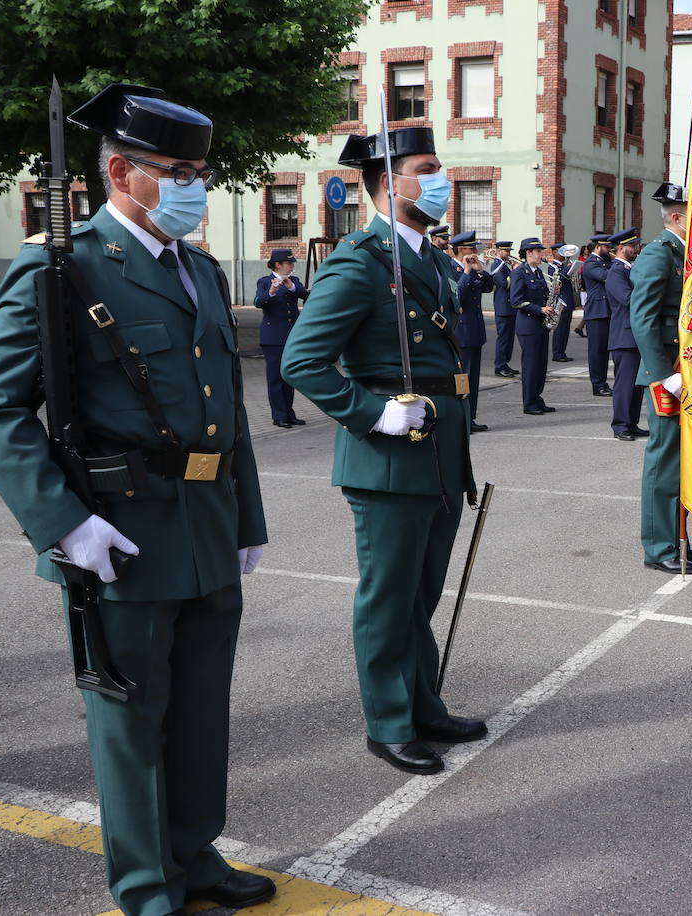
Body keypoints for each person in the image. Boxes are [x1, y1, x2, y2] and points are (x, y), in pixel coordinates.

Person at [0, 83, 271, 915]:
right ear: (119, 170)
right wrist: (63, 524)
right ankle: (149, 887)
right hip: (119, 533)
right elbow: (1, 408)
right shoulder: (61, 271)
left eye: (200, 171)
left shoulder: (203, 270)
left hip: (208, 528)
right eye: (177, 171)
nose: (196, 186)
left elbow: (230, 409)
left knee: (199, 715)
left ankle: (196, 853)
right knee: (130, 724)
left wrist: (247, 517)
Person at [282, 126, 486, 777]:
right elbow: (301, 361)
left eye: (439, 169)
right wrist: (373, 414)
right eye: (427, 169)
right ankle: (389, 721)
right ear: (388, 182)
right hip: (390, 458)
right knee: (388, 597)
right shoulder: (361, 260)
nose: (440, 180)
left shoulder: (427, 256)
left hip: (438, 453)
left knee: (420, 594)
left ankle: (423, 704)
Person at [629, 182, 692, 574]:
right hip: (669, 373)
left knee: (685, 458)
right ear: (677, 217)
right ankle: (659, 546)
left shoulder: (686, 254)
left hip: (689, 369)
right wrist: (663, 376)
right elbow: (642, 318)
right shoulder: (658, 254)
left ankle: (679, 536)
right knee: (665, 461)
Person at [254, 247, 309, 428]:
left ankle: (289, 413)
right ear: (277, 264)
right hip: (273, 338)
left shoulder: (293, 281)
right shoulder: (264, 281)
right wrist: (271, 291)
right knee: (275, 377)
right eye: (289, 263)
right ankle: (279, 415)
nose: (292, 266)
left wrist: (290, 286)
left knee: (288, 376)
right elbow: (258, 302)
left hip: (292, 336)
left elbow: (304, 294)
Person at [604, 226, 646, 440]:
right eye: (632, 245)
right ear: (621, 248)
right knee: (624, 384)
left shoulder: (629, 269)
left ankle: (632, 422)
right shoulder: (615, 272)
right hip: (624, 336)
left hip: (635, 335)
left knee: (637, 384)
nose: (636, 248)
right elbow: (629, 299)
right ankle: (620, 425)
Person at [509, 238, 557, 413]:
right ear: (529, 253)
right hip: (528, 325)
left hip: (541, 325)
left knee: (541, 364)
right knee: (530, 365)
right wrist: (539, 309)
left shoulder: (537, 272)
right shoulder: (519, 272)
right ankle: (529, 403)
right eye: (538, 251)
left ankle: (537, 398)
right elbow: (515, 301)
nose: (541, 254)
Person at [451, 233, 492, 432]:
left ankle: (471, 417)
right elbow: (456, 295)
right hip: (462, 332)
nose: (475, 252)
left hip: (475, 331)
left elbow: (490, 286)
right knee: (463, 378)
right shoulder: (451, 268)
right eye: (471, 249)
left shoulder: (473, 268)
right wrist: (467, 272)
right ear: (461, 250)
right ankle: (461, 419)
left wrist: (480, 270)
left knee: (473, 379)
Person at [581, 232, 614, 396]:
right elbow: (607, 277)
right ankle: (598, 384)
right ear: (598, 247)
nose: (609, 250)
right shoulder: (591, 264)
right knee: (597, 351)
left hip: (607, 311)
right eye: (607, 247)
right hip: (596, 312)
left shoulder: (606, 262)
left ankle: (603, 382)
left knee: (605, 350)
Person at [488, 241, 519, 378]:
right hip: (503, 307)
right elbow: (505, 284)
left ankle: (505, 363)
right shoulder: (496, 265)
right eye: (506, 251)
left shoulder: (504, 265)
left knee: (509, 338)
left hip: (509, 307)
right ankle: (499, 365)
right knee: (503, 338)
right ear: (499, 251)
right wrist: (515, 271)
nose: (509, 254)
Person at [548, 243, 579, 362]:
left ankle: (562, 352)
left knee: (565, 330)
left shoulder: (563, 265)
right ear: (554, 253)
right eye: (561, 252)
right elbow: (558, 279)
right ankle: (557, 353)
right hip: (560, 301)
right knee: (560, 330)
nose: (564, 255)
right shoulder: (553, 266)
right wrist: (568, 268)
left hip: (568, 300)